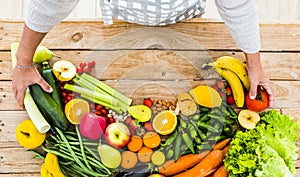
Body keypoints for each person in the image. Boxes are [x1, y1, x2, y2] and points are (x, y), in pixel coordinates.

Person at [12, 0, 274, 109]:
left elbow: (237, 4)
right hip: (127, 11)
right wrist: (23, 62)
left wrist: (255, 64)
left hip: (183, 12)